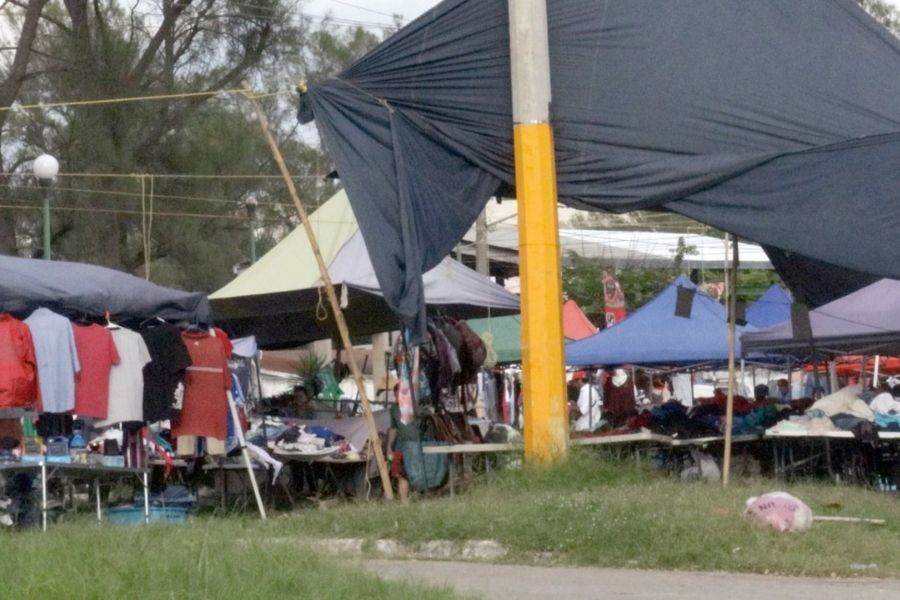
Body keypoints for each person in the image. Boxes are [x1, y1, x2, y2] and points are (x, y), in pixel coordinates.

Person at [387, 384, 418, 504]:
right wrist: (389, 445)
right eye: (395, 395)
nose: (397, 398)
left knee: (415, 471)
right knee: (400, 473)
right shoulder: (394, 409)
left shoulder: (414, 405)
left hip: (415, 444)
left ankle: (416, 497)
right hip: (400, 445)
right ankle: (404, 501)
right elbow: (393, 428)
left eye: (399, 395)